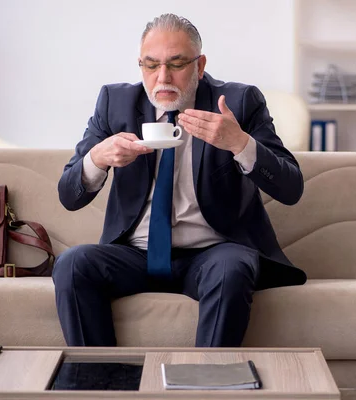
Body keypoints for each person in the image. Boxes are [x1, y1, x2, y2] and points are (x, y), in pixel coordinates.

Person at [53, 13, 306, 348]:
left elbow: (291, 188)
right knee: (73, 264)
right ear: (140, 65)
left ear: (200, 66)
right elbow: (69, 195)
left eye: (176, 63)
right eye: (151, 65)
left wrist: (239, 143)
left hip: (212, 253)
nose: (163, 77)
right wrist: (97, 159)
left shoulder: (240, 102)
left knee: (233, 265)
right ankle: (101, 381)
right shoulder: (116, 103)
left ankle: (206, 384)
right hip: (134, 253)